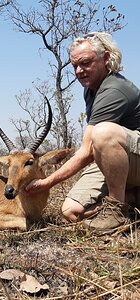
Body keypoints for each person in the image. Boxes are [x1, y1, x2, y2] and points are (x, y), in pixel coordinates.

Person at [26, 32, 140, 234]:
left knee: (104, 133)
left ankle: (116, 210)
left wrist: (46, 183)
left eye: (86, 63)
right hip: (119, 160)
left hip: (132, 155)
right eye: (75, 66)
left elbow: (87, 150)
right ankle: (133, 198)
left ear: (105, 58)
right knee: (71, 211)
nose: (79, 71)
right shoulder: (90, 89)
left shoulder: (114, 89)